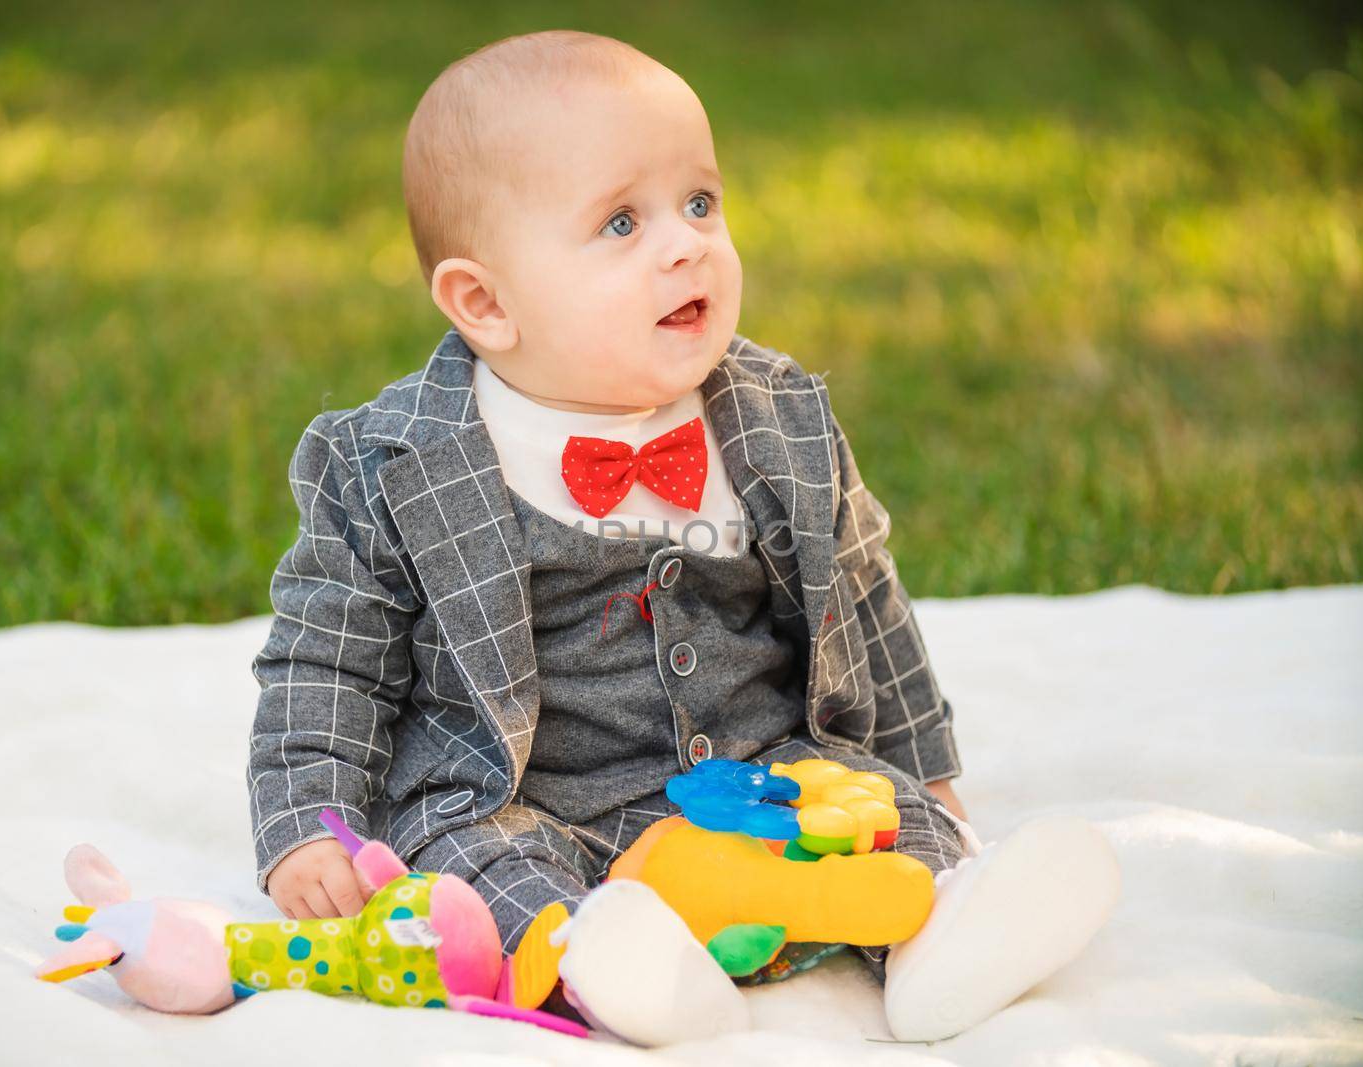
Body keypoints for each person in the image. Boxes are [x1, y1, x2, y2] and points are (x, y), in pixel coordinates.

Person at [246, 28, 1118, 1045]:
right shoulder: (392, 464)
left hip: (763, 765)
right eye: (621, 221)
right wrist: (306, 822)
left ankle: (949, 937)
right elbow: (324, 662)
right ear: (484, 302)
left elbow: (865, 599)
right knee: (476, 875)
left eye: (699, 202)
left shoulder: (773, 413)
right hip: (530, 796)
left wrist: (921, 769)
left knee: (881, 815)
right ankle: (614, 962)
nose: (685, 242)